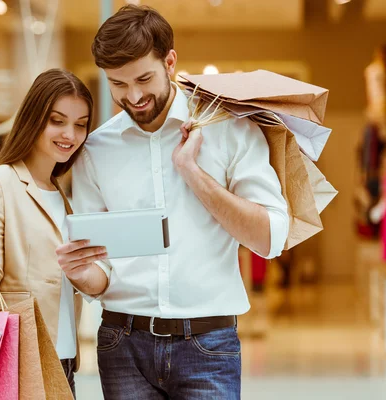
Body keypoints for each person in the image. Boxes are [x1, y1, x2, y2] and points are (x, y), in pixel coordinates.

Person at [55, 5, 289, 399]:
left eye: (144, 78)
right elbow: (101, 273)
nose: (134, 96)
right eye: (118, 84)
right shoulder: (95, 149)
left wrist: (192, 173)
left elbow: (270, 238)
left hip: (208, 345)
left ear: (170, 61)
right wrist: (80, 273)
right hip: (121, 344)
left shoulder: (229, 128)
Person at [0, 68, 95, 397]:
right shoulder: (1, 182)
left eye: (80, 124)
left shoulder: (63, 194)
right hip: (19, 359)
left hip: (63, 359)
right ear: (34, 119)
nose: (69, 134)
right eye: (57, 120)